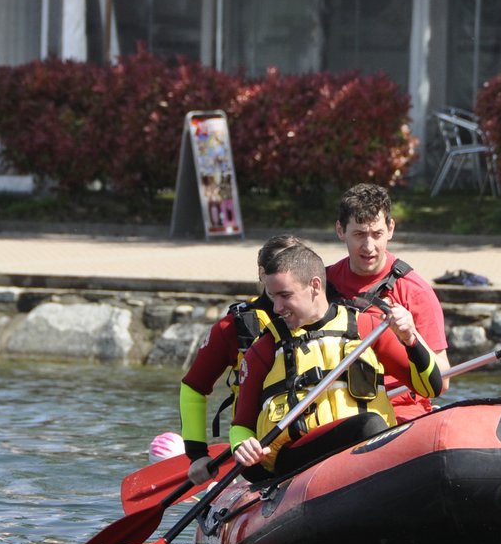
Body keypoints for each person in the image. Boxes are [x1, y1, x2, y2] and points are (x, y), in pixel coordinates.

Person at [230, 241, 443, 481]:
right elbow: (241, 424)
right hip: (296, 458)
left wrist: (411, 339)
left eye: (285, 296)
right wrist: (241, 445)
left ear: (315, 285)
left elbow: (431, 387)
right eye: (272, 297)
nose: (277, 308)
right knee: (369, 426)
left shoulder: (367, 328)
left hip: (361, 447)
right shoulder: (266, 347)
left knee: (371, 427)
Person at [179, 234, 307, 480]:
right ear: (262, 274)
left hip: (315, 434)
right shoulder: (233, 328)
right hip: (260, 450)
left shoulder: (325, 315)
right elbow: (194, 387)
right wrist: (197, 454)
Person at [326, 183, 449, 421]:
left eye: (377, 234)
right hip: (336, 406)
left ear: (390, 229)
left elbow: (443, 381)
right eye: (359, 234)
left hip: (398, 409)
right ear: (340, 231)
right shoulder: (322, 282)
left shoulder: (415, 291)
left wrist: (411, 335)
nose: (369, 247)